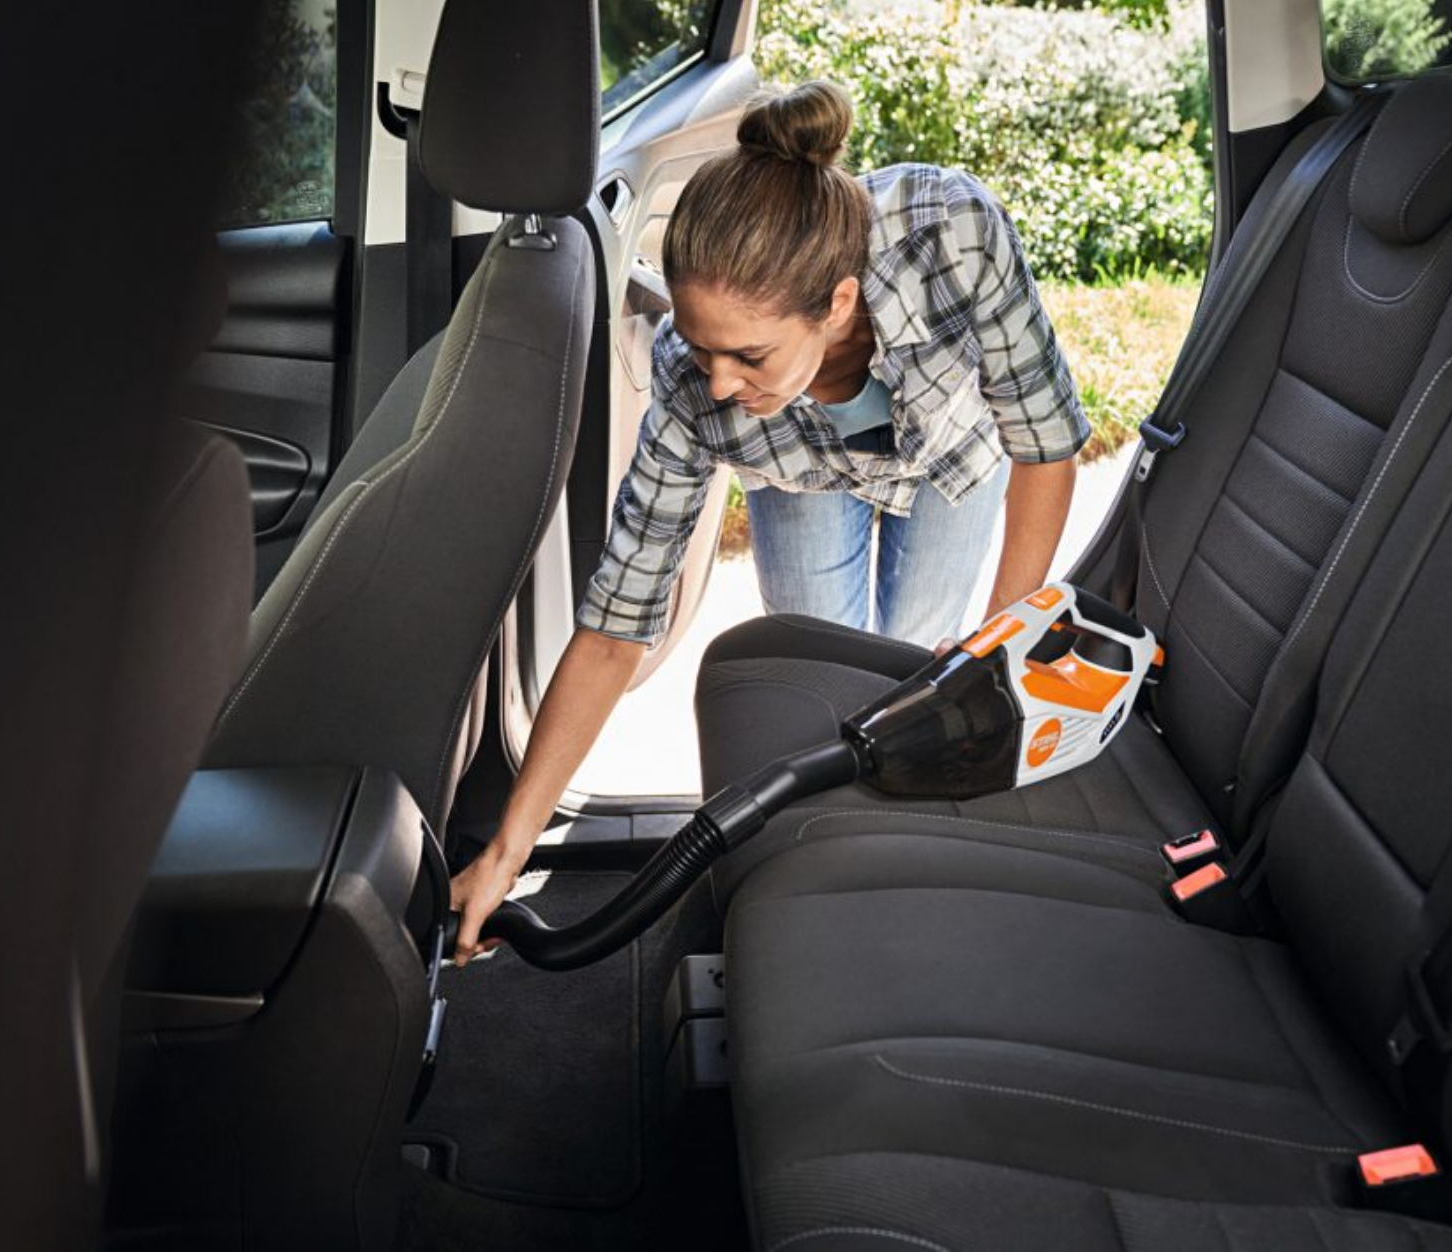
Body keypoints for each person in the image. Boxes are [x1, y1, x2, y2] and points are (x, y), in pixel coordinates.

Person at [449, 80, 1087, 962]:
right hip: (801, 475)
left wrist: (994, 655)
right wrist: (505, 851)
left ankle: (903, 861)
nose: (716, 383)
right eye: (699, 345)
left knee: (918, 658)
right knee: (827, 672)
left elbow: (1044, 441)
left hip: (950, 454)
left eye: (747, 354)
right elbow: (615, 624)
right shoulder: (693, 386)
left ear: (837, 304)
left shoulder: (952, 234)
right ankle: (838, 880)